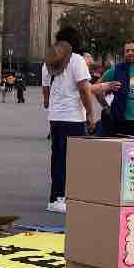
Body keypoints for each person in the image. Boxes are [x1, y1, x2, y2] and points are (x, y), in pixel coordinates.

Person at [42, 28, 97, 214]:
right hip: (73, 117)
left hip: (55, 117)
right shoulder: (77, 60)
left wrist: (51, 104)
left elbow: (46, 93)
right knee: (72, 159)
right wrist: (90, 113)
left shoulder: (48, 63)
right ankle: (62, 197)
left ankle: (55, 196)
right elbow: (84, 88)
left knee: (57, 157)